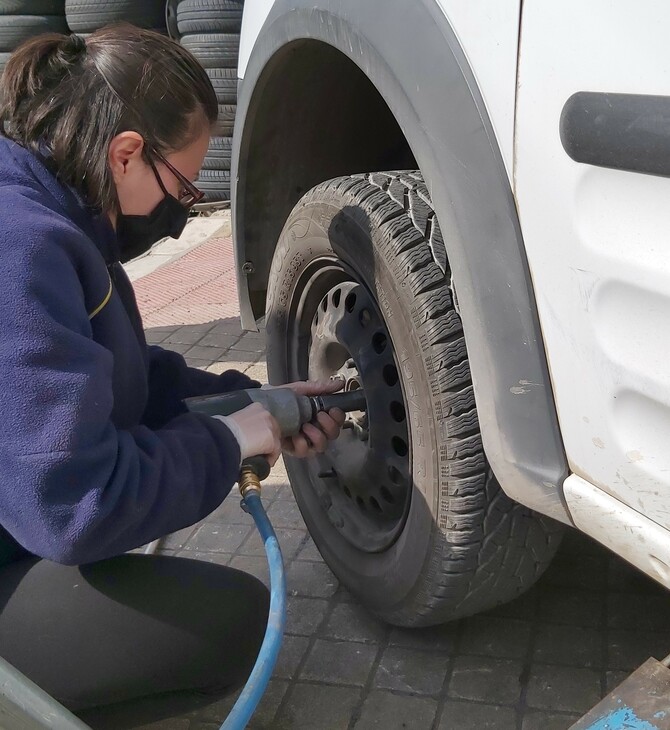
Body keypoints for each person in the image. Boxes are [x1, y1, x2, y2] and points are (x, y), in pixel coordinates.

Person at [0, 24, 344, 724]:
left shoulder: (47, 212)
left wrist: (246, 402)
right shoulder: (22, 251)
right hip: (35, 525)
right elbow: (77, 507)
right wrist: (231, 444)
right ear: (127, 154)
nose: (182, 214)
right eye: (184, 188)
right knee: (229, 626)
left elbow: (111, 377)